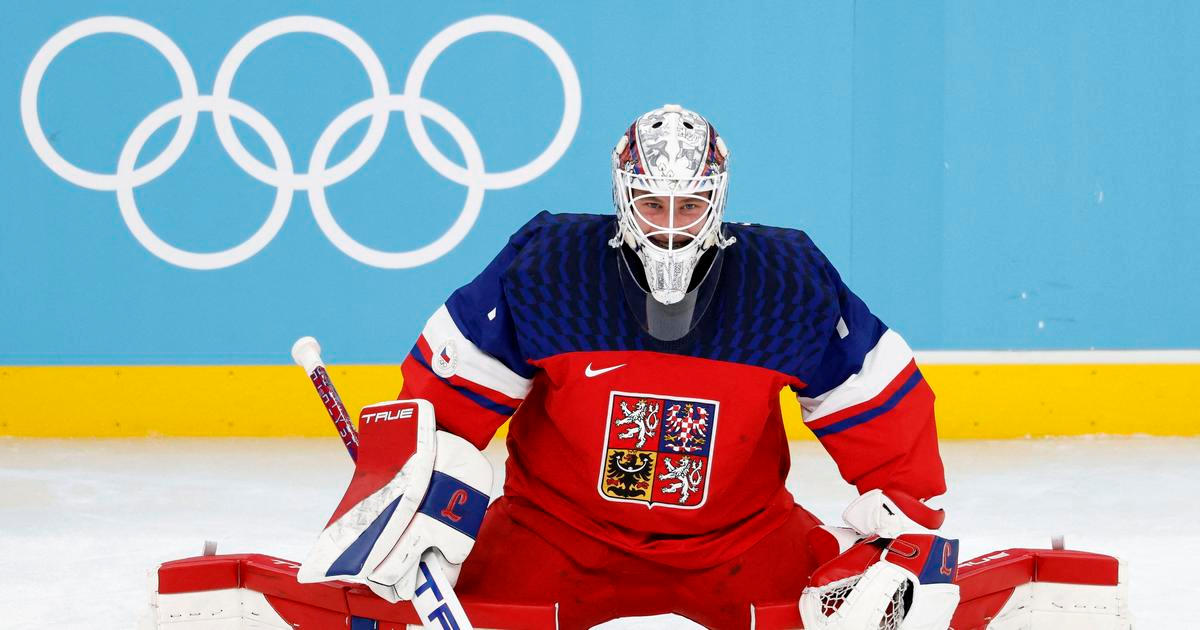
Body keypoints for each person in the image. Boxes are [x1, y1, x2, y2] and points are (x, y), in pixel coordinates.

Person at [392, 104, 954, 629]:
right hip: (556, 533)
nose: (669, 226)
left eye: (689, 206)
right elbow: (448, 394)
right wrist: (409, 502)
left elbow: (871, 393)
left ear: (718, 200)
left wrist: (907, 523)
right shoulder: (551, 268)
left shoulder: (783, 281)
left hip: (740, 541)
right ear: (622, 195)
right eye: (651, 204)